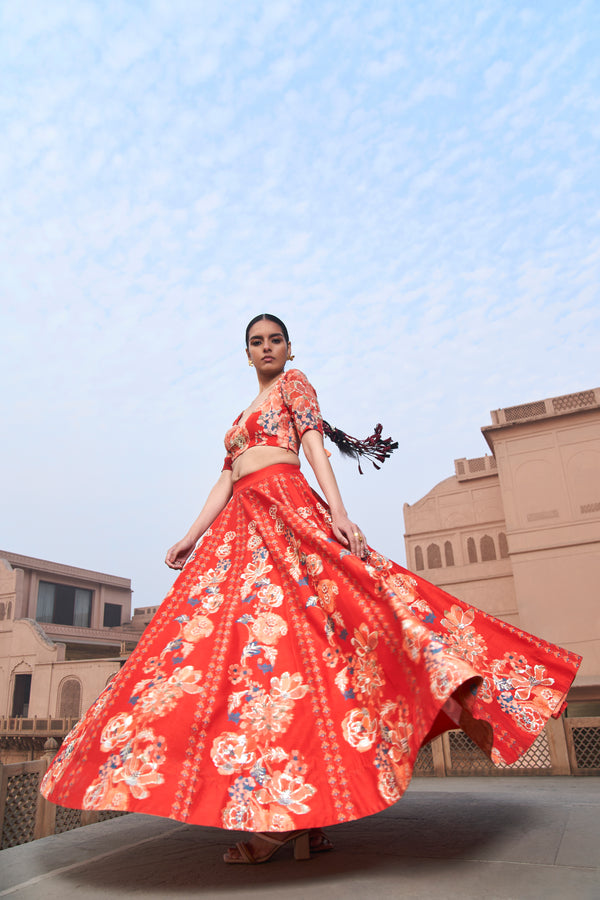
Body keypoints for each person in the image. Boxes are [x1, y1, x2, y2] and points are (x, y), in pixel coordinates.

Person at [41, 313, 581, 865]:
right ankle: (305, 819)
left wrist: (339, 513)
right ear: (246, 353)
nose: (267, 347)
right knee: (260, 664)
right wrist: (189, 535)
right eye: (257, 342)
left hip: (285, 509)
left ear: (289, 349)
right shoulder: (239, 416)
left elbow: (315, 445)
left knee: (335, 625)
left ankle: (289, 819)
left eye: (275, 339)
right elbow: (226, 478)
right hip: (241, 526)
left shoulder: (295, 387)